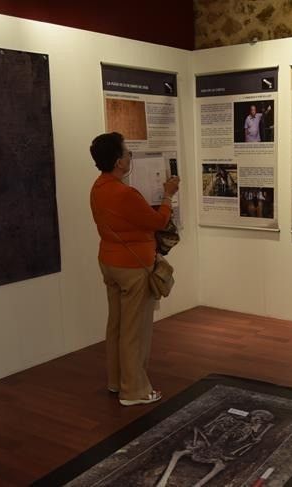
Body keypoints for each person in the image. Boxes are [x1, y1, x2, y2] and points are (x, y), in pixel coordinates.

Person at [89, 132, 180, 407]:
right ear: (118, 162)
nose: (130, 156)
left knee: (116, 325)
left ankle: (117, 381)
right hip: (133, 267)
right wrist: (168, 195)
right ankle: (135, 390)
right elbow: (158, 221)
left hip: (109, 262)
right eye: (127, 153)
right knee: (135, 330)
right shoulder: (125, 193)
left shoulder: (98, 188)